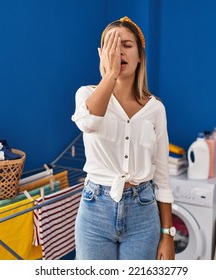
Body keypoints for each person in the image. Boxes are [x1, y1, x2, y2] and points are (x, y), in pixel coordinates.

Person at [71, 16, 175, 260]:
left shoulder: (155, 109)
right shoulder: (86, 95)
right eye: (112, 46)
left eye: (126, 45)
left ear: (140, 56)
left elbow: (162, 175)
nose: (119, 51)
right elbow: (90, 122)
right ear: (102, 54)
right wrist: (110, 75)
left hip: (144, 212)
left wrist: (167, 234)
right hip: (95, 209)